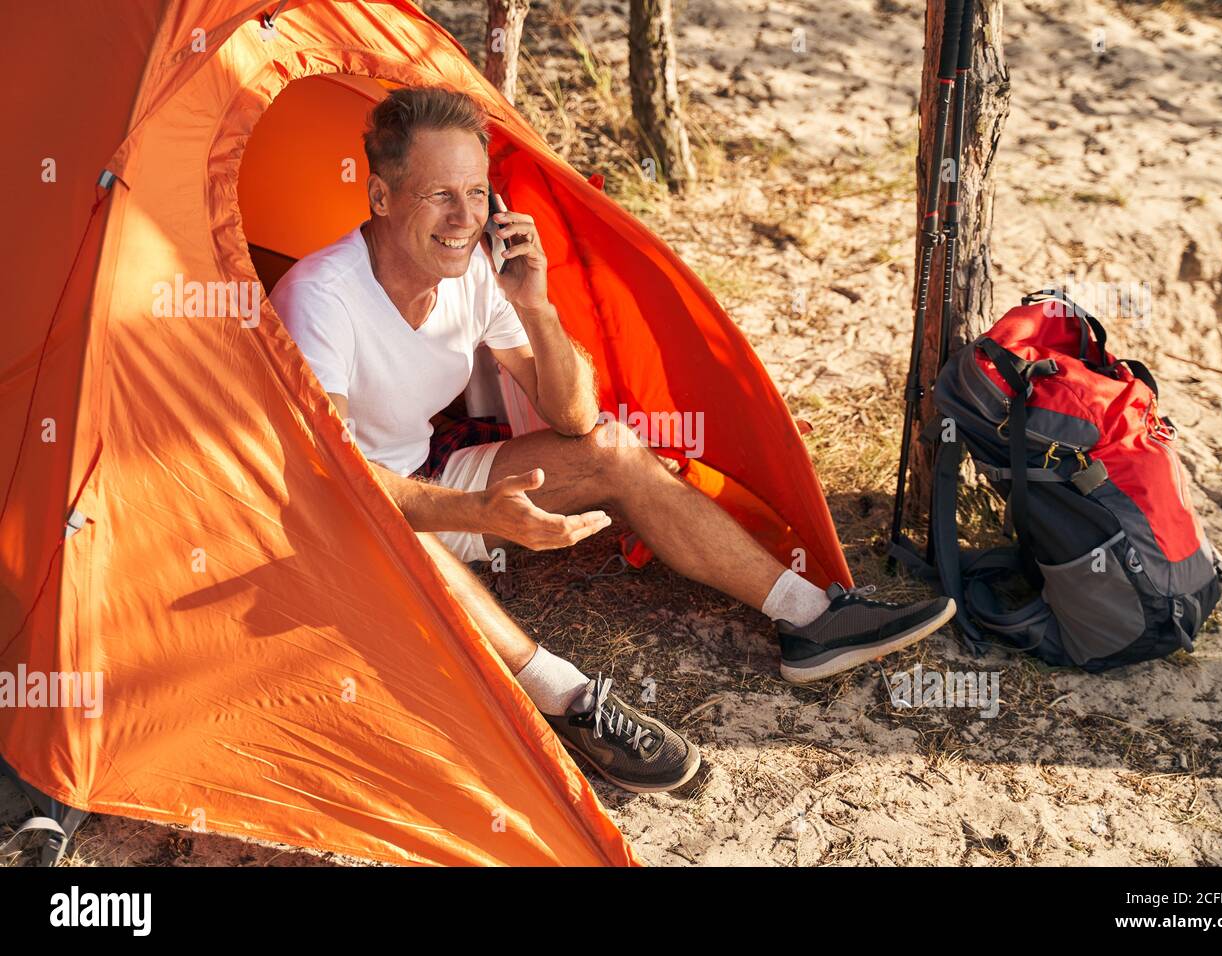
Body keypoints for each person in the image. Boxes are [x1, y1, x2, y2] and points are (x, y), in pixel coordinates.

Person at [271, 86, 955, 794]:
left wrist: (534, 306)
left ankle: (810, 618)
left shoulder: (476, 272)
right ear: (380, 196)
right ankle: (566, 700)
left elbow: (573, 418)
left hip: (426, 476)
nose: (464, 217)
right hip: (332, 516)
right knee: (388, 525)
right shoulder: (323, 298)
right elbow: (335, 477)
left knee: (616, 451)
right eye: (437, 195)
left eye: (476, 192)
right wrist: (475, 514)